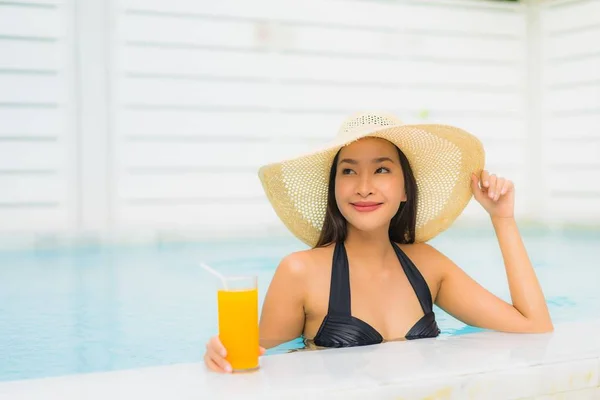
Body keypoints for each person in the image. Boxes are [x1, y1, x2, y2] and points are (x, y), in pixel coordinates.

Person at [204, 111, 553, 373]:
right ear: (335, 188)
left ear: (405, 189)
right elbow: (254, 361)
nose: (364, 186)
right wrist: (219, 354)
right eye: (349, 170)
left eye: (382, 170)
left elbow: (535, 326)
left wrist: (502, 219)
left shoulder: (428, 265)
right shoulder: (301, 271)